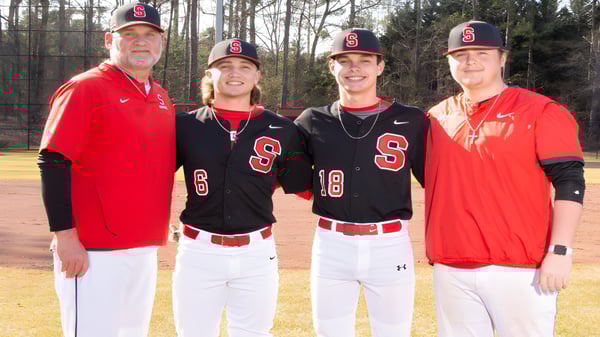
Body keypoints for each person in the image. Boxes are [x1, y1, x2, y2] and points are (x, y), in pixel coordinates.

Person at [425, 20, 585, 337]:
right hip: (451, 266)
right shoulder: (436, 117)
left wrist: (561, 250)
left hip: (520, 268)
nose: (470, 61)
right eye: (460, 54)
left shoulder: (540, 110)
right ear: (448, 62)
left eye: (481, 52)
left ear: (502, 58)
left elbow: (569, 181)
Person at [37, 3, 174, 336]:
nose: (141, 42)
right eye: (130, 34)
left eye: (149, 35)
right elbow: (54, 159)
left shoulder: (159, 96)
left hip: (143, 245)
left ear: (161, 43)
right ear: (109, 39)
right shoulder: (86, 88)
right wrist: (65, 237)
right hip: (92, 249)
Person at [172, 39, 312, 337]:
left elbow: (304, 185)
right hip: (198, 250)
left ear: (257, 75)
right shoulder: (184, 125)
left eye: (244, 66)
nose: (235, 72)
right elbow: (150, 180)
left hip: (257, 252)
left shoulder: (282, 129)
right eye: (225, 66)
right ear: (210, 74)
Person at [294, 28, 427, 337]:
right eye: (345, 60)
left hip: (390, 244)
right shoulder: (312, 119)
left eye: (365, 60)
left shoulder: (412, 120)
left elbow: (438, 180)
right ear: (332, 67)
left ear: (379, 66)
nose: (355, 68)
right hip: (331, 244)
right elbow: (285, 173)